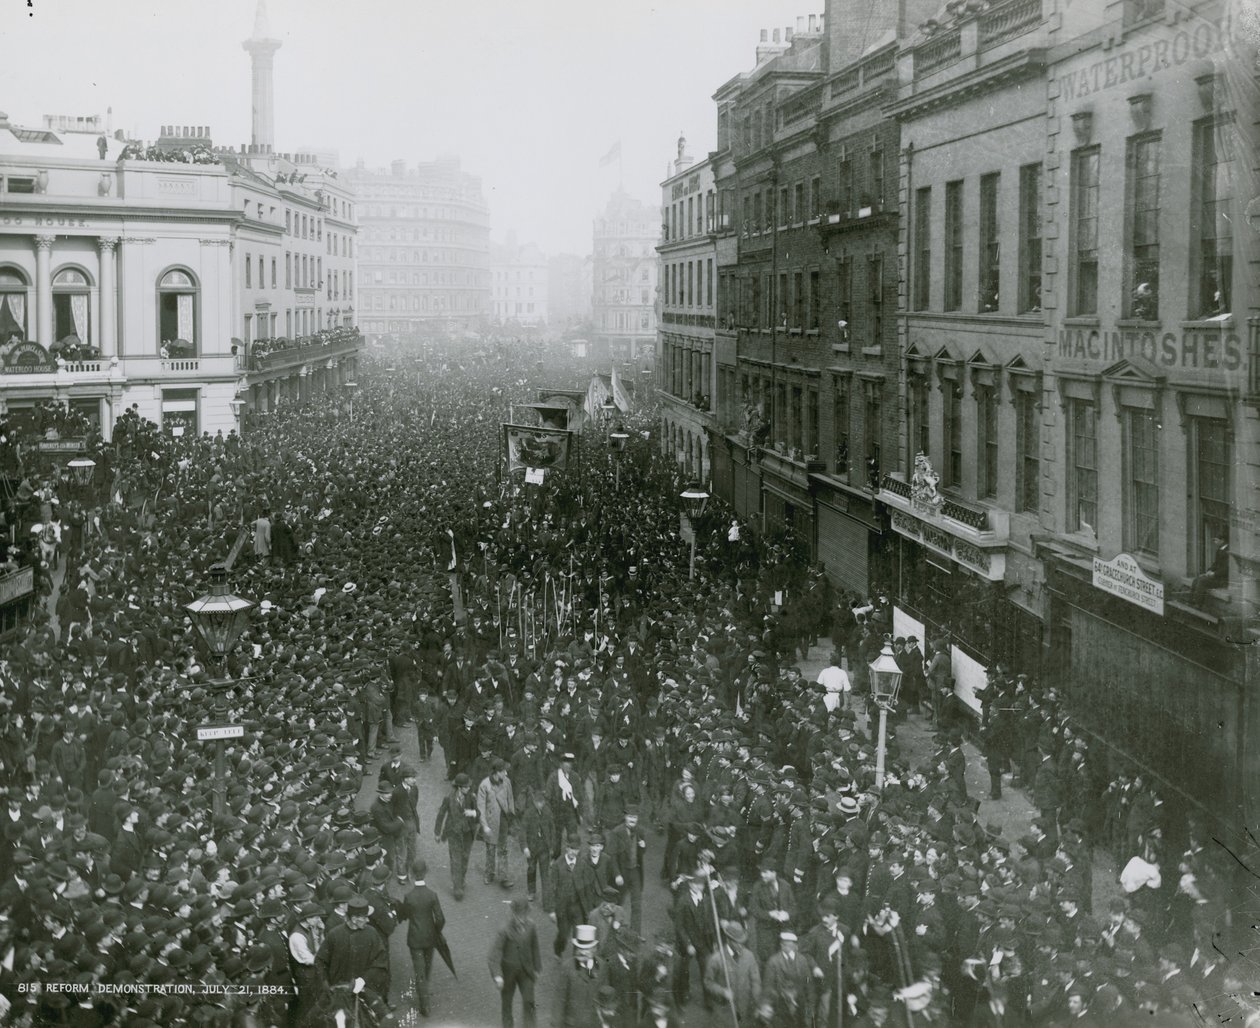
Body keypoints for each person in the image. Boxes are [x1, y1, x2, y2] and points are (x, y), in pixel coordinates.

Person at [315, 895, 390, 1014]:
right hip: (337, 992)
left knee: (387, 1019)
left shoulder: (372, 933)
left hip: (365, 990)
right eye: (365, 917)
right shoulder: (334, 934)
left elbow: (381, 960)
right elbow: (320, 961)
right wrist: (325, 983)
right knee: (311, 1020)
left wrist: (363, 980)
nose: (368, 920)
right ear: (354, 919)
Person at [395, 857, 445, 1017]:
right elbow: (440, 919)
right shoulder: (432, 895)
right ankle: (425, 991)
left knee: (419, 970)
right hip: (430, 938)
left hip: (415, 939)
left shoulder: (409, 896)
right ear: (426, 872)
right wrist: (436, 931)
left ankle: (425, 1005)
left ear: (411, 873)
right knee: (427, 966)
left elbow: (404, 914)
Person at [490, 896, 541, 1028]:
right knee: (507, 1004)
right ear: (513, 913)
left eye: (524, 915)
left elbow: (535, 947)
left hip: (526, 971)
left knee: (529, 1001)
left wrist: (537, 967)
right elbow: (494, 954)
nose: (521, 919)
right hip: (508, 974)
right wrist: (497, 976)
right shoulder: (504, 930)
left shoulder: (531, 926)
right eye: (518, 915)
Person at [704, 920, 762, 1024]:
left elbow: (755, 981)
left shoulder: (749, 956)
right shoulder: (716, 958)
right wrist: (722, 991)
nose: (740, 945)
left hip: (745, 1009)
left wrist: (758, 1004)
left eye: (742, 942)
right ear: (728, 940)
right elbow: (708, 982)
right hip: (724, 1011)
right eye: (736, 942)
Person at [434, 772, 479, 900]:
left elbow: (479, 814)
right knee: (455, 860)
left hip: (467, 834)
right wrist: (437, 832)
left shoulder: (472, 798)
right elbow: (441, 815)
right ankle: (457, 887)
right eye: (466, 787)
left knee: (465, 858)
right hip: (453, 832)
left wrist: (474, 813)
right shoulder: (448, 798)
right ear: (459, 787)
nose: (468, 788)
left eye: (469, 786)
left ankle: (461, 879)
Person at [551, 924, 602, 1028]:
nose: (582, 952)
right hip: (573, 1024)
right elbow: (559, 1000)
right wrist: (556, 1024)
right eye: (579, 948)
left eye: (586, 948)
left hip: (595, 1024)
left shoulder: (602, 966)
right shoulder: (568, 967)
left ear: (594, 949)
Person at [477, 757, 516, 888]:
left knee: (503, 849)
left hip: (504, 820)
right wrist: (484, 825)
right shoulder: (484, 785)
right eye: (503, 771)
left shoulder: (507, 782)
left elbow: (510, 799)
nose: (505, 773)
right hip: (491, 822)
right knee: (490, 848)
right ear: (496, 772)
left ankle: (503, 876)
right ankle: (489, 873)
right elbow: (480, 808)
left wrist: (511, 814)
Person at [1190, 532, 1229, 606]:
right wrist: (1209, 571)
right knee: (1196, 579)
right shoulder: (1219, 550)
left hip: (1222, 579)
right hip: (1215, 576)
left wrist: (1214, 574)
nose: (1214, 542)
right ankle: (1191, 601)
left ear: (1222, 540)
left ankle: (1198, 604)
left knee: (1202, 581)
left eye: (1216, 540)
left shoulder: (1227, 551)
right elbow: (1215, 564)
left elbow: (1226, 569)